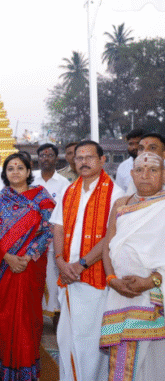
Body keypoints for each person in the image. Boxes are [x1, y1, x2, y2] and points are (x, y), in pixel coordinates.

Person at [100, 153, 165, 380]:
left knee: (159, 365)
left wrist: (152, 281)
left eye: (152, 170)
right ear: (131, 174)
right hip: (120, 294)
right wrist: (111, 280)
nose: (145, 176)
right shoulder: (121, 204)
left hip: (160, 297)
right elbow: (109, 246)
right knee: (122, 363)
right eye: (139, 170)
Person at [51, 140, 124, 381]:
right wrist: (61, 261)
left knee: (90, 343)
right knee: (66, 339)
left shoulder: (116, 193)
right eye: (79, 158)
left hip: (94, 279)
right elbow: (58, 228)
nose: (83, 162)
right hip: (68, 277)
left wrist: (81, 264)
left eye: (89, 157)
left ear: (102, 160)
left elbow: (110, 236)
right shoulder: (68, 190)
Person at [1, 151, 54, 381]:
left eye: (19, 168)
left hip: (30, 267)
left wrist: (28, 256)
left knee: (26, 320)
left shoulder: (41, 197)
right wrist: (7, 257)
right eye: (10, 168)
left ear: (28, 171)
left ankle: (26, 371)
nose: (15, 172)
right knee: (5, 319)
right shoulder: (2, 199)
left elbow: (48, 228)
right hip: (4, 268)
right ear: (5, 173)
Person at [35, 142, 68, 322]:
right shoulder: (31, 181)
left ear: (56, 158)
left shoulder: (63, 183)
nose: (45, 158)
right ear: (38, 159)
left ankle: (56, 315)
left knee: (54, 276)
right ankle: (35, 314)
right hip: (33, 239)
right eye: (42, 155)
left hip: (54, 237)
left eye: (49, 155)